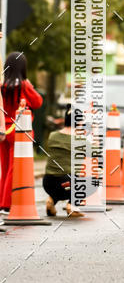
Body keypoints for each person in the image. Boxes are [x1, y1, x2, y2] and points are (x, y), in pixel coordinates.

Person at [0, 52, 43, 213]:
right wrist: (30, 85)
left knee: (4, 168)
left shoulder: (2, 86)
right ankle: (6, 204)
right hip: (19, 131)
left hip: (3, 130)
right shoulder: (24, 85)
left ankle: (1, 201)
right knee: (14, 168)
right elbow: (38, 102)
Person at [42, 106, 83, 218]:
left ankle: (51, 200)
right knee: (92, 179)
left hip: (48, 183)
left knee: (63, 182)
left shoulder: (52, 136)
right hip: (67, 184)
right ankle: (72, 205)